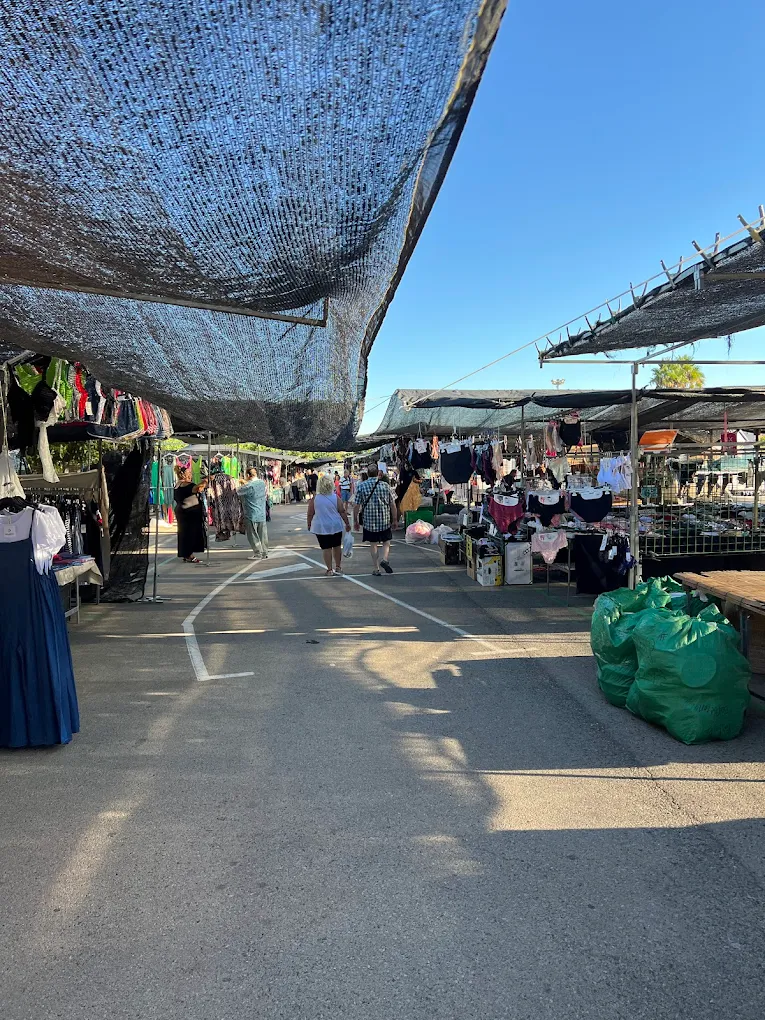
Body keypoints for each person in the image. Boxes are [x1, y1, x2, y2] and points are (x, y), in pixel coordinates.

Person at [353, 468, 397, 576]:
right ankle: (385, 559)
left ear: (367, 474)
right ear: (378, 473)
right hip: (384, 519)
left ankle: (376, 568)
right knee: (386, 542)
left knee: (373, 544)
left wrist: (355, 520)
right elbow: (393, 505)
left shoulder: (361, 486)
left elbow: (356, 505)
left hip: (369, 521)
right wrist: (395, 519)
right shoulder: (386, 486)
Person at [307, 474, 351, 576]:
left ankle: (329, 569)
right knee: (336, 546)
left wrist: (309, 524)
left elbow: (310, 513)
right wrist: (347, 523)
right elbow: (342, 511)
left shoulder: (315, 499)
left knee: (326, 548)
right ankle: (338, 567)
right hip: (335, 525)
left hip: (321, 527)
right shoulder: (336, 497)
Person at [173, 466, 207, 563]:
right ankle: (189, 555)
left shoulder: (178, 484)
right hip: (188, 512)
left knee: (185, 533)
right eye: (189, 473)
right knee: (189, 533)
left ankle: (186, 553)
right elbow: (198, 488)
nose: (191, 475)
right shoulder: (186, 484)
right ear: (184, 474)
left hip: (184, 511)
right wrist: (205, 481)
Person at [238, 466, 269, 560]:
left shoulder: (248, 486)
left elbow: (238, 492)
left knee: (253, 535)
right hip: (262, 513)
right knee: (262, 534)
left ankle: (258, 553)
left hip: (251, 513)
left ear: (248, 475)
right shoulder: (262, 483)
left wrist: (242, 483)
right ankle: (264, 552)